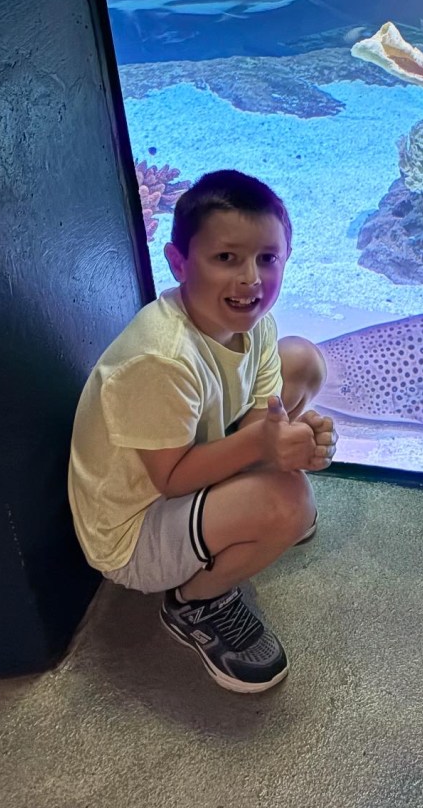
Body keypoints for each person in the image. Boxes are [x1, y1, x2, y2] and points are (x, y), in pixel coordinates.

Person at [68, 169, 336, 693]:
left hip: (189, 465)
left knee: (303, 361)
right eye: (226, 258)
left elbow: (264, 412)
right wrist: (268, 450)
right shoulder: (162, 359)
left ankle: (246, 517)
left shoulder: (254, 322)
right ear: (178, 262)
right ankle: (195, 602)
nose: (251, 280)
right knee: (290, 503)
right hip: (133, 529)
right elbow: (171, 480)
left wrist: (290, 442)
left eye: (268, 258)